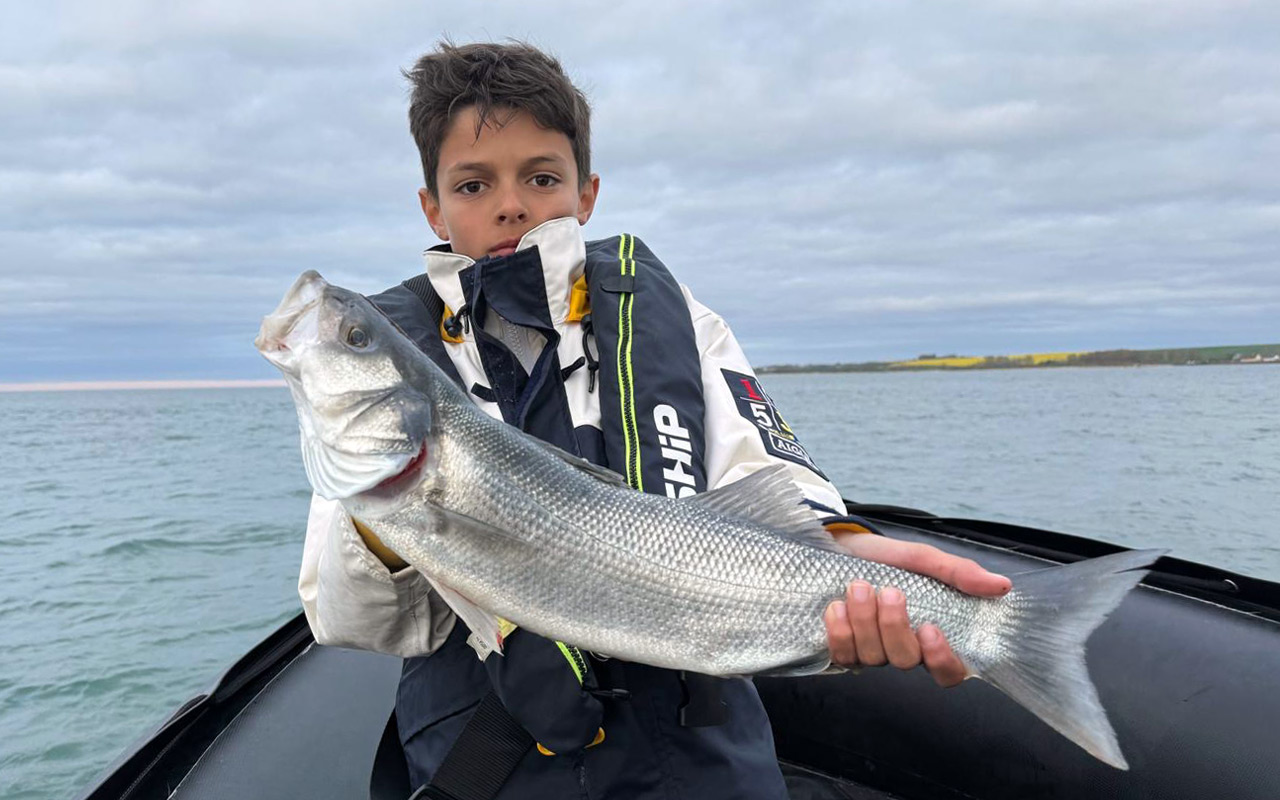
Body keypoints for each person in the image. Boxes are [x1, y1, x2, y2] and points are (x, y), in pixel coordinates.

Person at [298, 41, 1010, 799]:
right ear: (432, 207)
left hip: (697, 743)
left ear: (587, 193)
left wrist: (852, 548)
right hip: (495, 756)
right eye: (473, 184)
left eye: (541, 177)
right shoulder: (397, 370)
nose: (510, 204)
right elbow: (349, 618)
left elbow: (767, 477)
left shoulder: (672, 318)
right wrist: (389, 514)